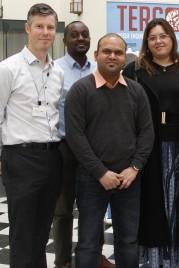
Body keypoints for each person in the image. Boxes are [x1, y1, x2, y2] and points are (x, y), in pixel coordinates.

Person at [122, 18, 179, 267]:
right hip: (148, 149)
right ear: (146, 43)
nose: (158, 41)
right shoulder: (135, 71)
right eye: (152, 37)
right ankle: (155, 257)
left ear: (172, 38)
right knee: (154, 202)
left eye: (163, 36)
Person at [65, 33, 154, 267]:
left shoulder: (136, 92)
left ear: (126, 58)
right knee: (88, 242)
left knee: (128, 241)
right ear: (96, 55)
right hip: (92, 179)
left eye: (118, 52)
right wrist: (100, 173)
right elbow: (75, 136)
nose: (112, 56)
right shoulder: (80, 90)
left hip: (128, 180)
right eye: (107, 51)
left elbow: (147, 133)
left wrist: (134, 168)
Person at [0, 3, 63, 267]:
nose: (45, 32)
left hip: (52, 157)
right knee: (23, 234)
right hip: (21, 156)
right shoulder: (8, 69)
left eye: (50, 27)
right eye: (39, 26)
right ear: (28, 28)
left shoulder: (57, 72)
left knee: (41, 233)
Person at [53, 21, 114, 268]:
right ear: (65, 40)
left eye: (85, 35)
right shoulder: (54, 70)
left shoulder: (98, 70)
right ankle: (64, 262)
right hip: (65, 148)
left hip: (93, 149)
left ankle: (96, 257)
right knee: (64, 209)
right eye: (74, 35)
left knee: (95, 206)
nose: (81, 38)